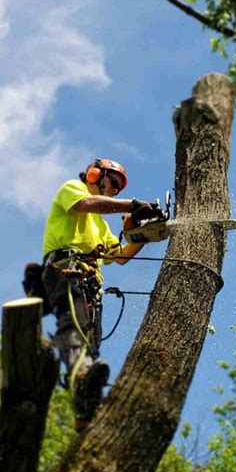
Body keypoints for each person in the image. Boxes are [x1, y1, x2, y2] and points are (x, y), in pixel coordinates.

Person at [42, 158, 159, 432]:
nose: (113, 191)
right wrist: (131, 204)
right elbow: (89, 205)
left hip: (91, 284)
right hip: (65, 270)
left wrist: (142, 234)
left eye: (117, 188)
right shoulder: (73, 190)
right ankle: (81, 376)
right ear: (95, 174)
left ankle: (85, 410)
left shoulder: (101, 226)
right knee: (74, 329)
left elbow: (119, 257)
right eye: (111, 182)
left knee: (91, 345)